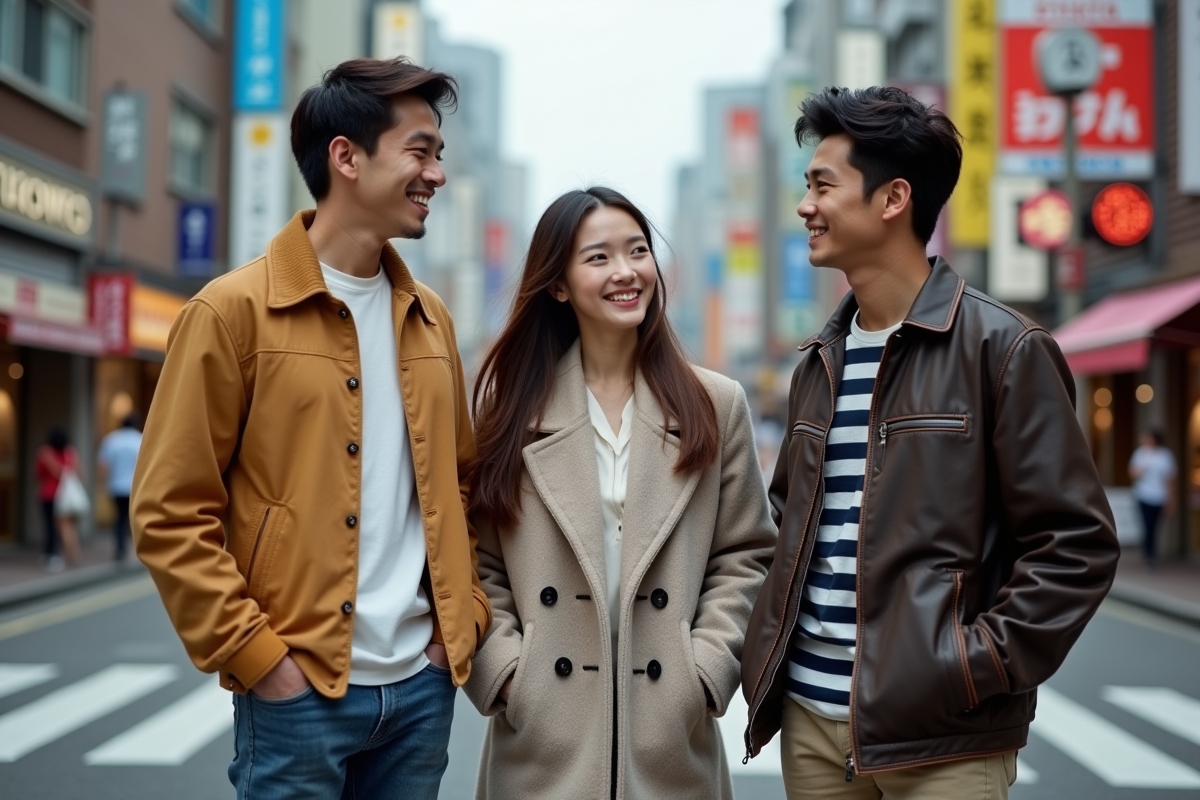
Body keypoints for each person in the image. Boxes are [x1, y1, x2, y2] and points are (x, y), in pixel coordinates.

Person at [740, 87, 1120, 800]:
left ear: (893, 200)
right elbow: (788, 529)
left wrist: (972, 666)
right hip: (813, 727)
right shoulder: (817, 362)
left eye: (823, 185)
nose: (804, 206)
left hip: (943, 737)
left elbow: (1076, 544)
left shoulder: (1003, 349)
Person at [132, 58, 491, 800]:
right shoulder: (231, 312)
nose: (437, 176)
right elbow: (169, 512)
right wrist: (261, 658)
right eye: (420, 152)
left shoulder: (430, 318)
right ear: (346, 157)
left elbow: (463, 484)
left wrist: (456, 628)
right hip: (298, 696)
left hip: (421, 693)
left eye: (440, 156)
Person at [464, 187, 776, 800]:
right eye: (599, 257)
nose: (627, 271)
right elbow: (475, 560)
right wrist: (505, 675)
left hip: (669, 739)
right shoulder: (509, 410)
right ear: (558, 284)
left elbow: (746, 557)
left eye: (638, 251)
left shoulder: (715, 404)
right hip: (542, 742)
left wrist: (705, 673)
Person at [97, 413, 142, 561]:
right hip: (135, 487)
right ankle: (135, 548)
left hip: (116, 486)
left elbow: (104, 466)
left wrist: (102, 485)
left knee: (119, 518)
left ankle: (120, 549)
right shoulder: (140, 439)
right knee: (133, 519)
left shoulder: (111, 440)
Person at [35, 427, 80, 571]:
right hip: (66, 496)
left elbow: (38, 472)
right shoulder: (70, 453)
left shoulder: (45, 454)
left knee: (49, 527)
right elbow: (77, 471)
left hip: (48, 494)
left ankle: (51, 556)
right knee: (66, 527)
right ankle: (69, 555)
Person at [1129, 429, 1176, 568]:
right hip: (1143, 495)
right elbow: (1133, 475)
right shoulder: (1140, 454)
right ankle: (1148, 556)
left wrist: (1171, 498)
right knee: (1147, 526)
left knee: (1155, 527)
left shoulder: (1165, 455)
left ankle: (1152, 554)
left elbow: (1170, 478)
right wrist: (1141, 469)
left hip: (1159, 496)